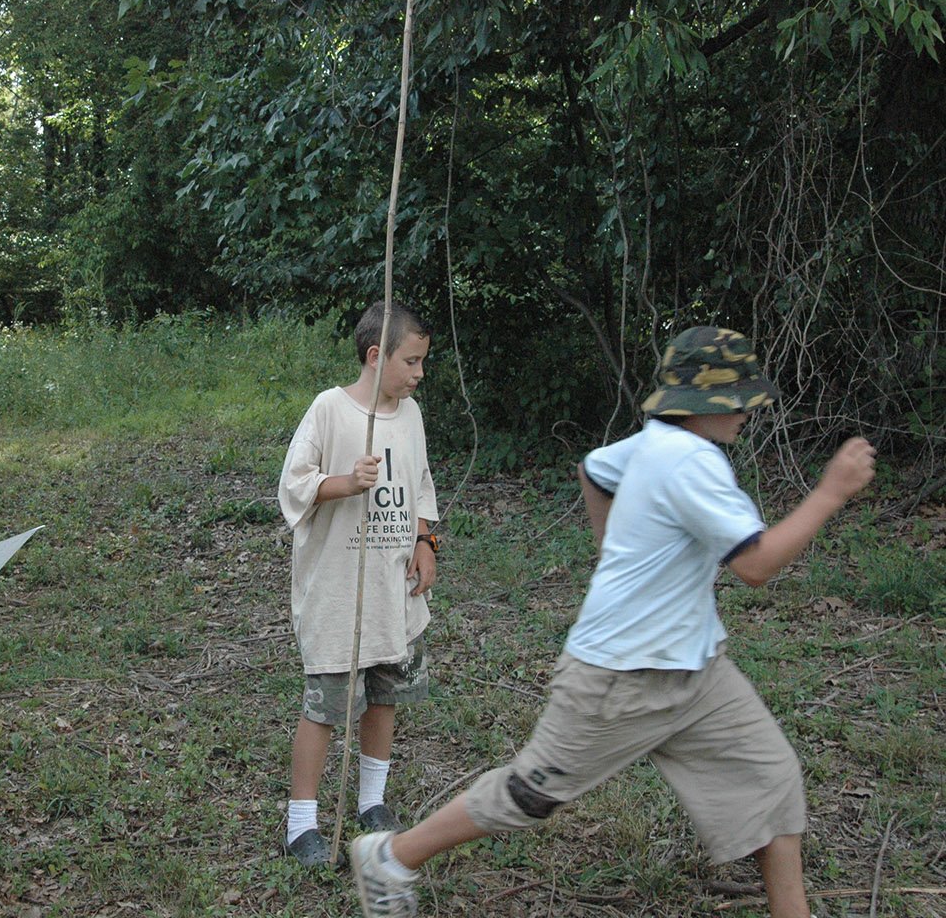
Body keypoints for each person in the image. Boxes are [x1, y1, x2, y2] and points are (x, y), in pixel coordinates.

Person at [350, 326, 878, 918]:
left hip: (696, 673)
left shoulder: (653, 442)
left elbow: (596, 469)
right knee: (530, 792)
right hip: (618, 677)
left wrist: (612, 555)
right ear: (707, 403)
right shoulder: (690, 460)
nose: (749, 410)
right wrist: (830, 493)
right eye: (739, 398)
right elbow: (755, 564)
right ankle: (390, 857)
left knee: (773, 778)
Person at [278, 301, 440, 866]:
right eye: (411, 362)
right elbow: (293, 484)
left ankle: (372, 800)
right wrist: (347, 482)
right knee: (325, 706)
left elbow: (419, 485)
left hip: (391, 592)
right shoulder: (330, 410)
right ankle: (301, 822)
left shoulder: (411, 416)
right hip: (339, 594)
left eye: (422, 362)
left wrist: (425, 541)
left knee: (385, 695)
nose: (419, 374)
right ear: (376, 356)